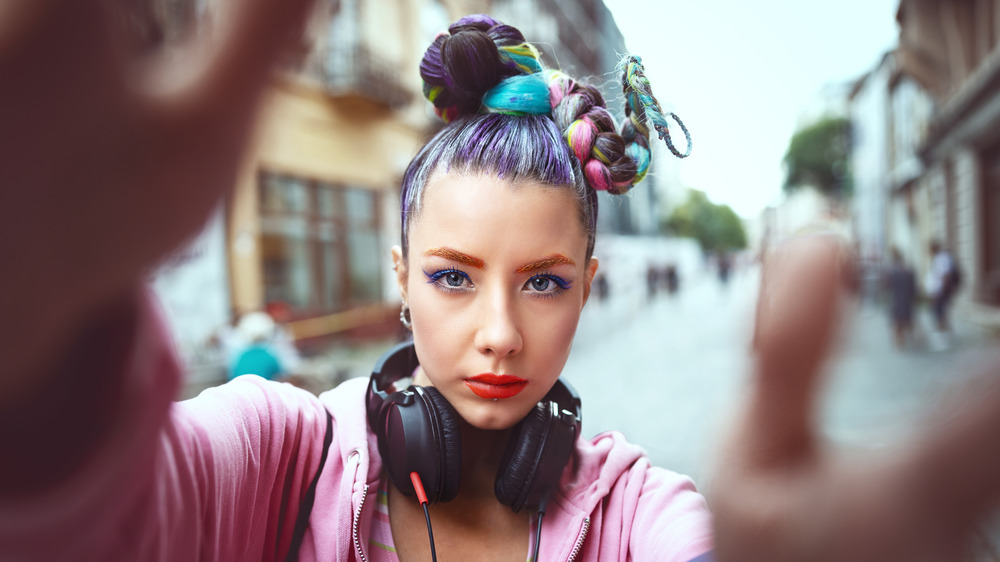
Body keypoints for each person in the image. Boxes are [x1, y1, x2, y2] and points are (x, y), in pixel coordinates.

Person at [4, 3, 1000, 562]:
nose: (497, 335)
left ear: (592, 285)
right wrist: (40, 340)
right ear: (400, 277)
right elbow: (91, 517)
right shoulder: (278, 456)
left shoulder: (632, 513)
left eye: (543, 283)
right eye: (450, 275)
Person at [926, 239, 959, 349]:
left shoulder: (941, 258)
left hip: (941, 292)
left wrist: (940, 292)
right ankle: (947, 336)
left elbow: (946, 276)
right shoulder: (940, 258)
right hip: (940, 291)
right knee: (941, 313)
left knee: (939, 313)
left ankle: (943, 340)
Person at [883, 248, 917, 349]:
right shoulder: (909, 270)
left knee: (897, 322)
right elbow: (913, 288)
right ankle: (907, 340)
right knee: (906, 320)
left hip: (897, 300)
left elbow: (887, 286)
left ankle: (899, 342)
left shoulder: (892, 272)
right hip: (906, 300)